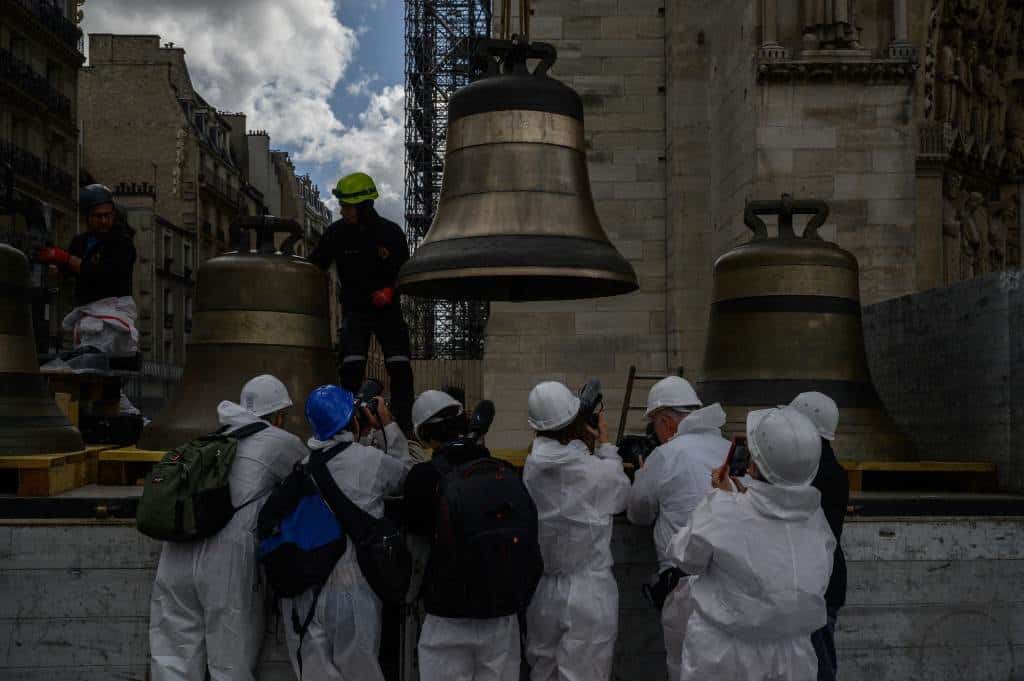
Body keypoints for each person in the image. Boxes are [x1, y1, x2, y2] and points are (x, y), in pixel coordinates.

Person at [149, 374, 307, 681]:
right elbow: (313, 472)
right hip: (226, 559)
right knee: (230, 660)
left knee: (172, 657)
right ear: (278, 416)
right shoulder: (280, 442)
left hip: (177, 553)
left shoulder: (211, 440)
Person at [667, 406, 835, 681]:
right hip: (794, 656)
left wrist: (721, 500)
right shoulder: (817, 521)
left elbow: (685, 557)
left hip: (725, 657)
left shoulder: (723, 510)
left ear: (754, 463)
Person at [282, 384, 412, 681]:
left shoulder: (301, 467)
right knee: (362, 672)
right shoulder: (370, 461)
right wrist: (387, 425)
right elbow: (406, 475)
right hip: (354, 587)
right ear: (352, 419)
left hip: (308, 590)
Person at [404, 390, 534, 681]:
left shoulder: (423, 478)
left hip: (446, 615)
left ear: (425, 436)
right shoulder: (506, 472)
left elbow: (416, 543)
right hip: (502, 614)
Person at [522, 381, 630, 681]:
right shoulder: (597, 471)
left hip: (545, 591)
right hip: (589, 591)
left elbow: (558, 457)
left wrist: (580, 434)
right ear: (576, 424)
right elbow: (621, 495)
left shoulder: (532, 468)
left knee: (543, 671)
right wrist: (605, 446)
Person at [626, 376, 731, 681]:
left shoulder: (666, 455)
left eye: (656, 427)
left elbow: (638, 513)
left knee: (684, 669)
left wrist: (644, 473)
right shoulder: (726, 450)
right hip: (730, 585)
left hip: (685, 589)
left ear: (668, 423)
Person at [308, 173, 414, 434]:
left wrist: (391, 290)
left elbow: (406, 271)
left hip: (387, 310)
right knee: (350, 366)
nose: (342, 210)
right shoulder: (336, 234)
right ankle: (346, 425)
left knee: (399, 365)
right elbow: (315, 264)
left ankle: (403, 425)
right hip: (355, 310)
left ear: (365, 206)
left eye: (347, 206)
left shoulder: (391, 234)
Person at [36, 184, 139, 353]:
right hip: (87, 312)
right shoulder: (80, 242)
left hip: (112, 312)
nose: (104, 221)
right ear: (87, 217)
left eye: (107, 215)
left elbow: (104, 274)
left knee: (96, 356)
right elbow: (69, 271)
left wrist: (67, 259)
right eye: (98, 216)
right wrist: (55, 265)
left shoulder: (121, 243)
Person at [790, 391, 849, 681]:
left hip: (816, 582)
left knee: (818, 666)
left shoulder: (811, 473)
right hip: (827, 579)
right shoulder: (831, 469)